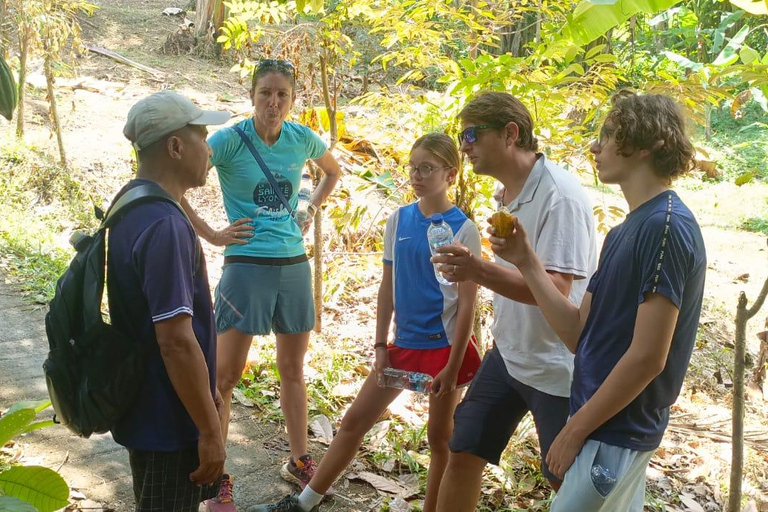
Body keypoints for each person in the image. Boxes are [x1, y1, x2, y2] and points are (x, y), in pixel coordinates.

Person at [490, 92, 706, 511]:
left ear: (646, 144)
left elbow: (648, 357)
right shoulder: (626, 231)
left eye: (608, 135)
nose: (595, 147)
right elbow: (577, 334)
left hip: (617, 431)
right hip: (601, 424)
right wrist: (527, 262)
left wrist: (574, 430)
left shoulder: (666, 228)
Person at [248, 133, 483, 512]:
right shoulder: (399, 219)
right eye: (413, 166)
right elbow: (387, 286)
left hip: (443, 348)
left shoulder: (463, 228)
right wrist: (379, 345)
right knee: (355, 420)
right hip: (402, 345)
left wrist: (454, 366)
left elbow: (467, 305)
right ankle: (304, 503)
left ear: (451, 174)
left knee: (440, 439)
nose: (417, 175)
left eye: (428, 168)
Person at [180, 59, 342, 510]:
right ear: (252, 94)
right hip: (246, 265)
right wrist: (212, 234)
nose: (273, 102)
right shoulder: (230, 140)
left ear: (292, 99)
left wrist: (308, 208)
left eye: (282, 95)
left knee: (293, 369)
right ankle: (217, 478)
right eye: (265, 93)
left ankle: (299, 458)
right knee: (225, 377)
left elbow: (332, 170)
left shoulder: (300, 137)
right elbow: (177, 183)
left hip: (293, 263)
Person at [431, 91, 598, 512]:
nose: (464, 145)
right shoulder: (507, 193)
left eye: (471, 134)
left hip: (556, 368)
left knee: (569, 484)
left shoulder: (560, 196)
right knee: (463, 451)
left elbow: (556, 290)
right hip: (509, 355)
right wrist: (479, 268)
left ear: (510, 133)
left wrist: (480, 270)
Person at [109, 90, 230, 511]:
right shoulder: (165, 225)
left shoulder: (131, 202)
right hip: (169, 421)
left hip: (150, 407)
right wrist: (210, 431)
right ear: (176, 147)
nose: (209, 147)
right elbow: (175, 341)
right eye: (201, 135)